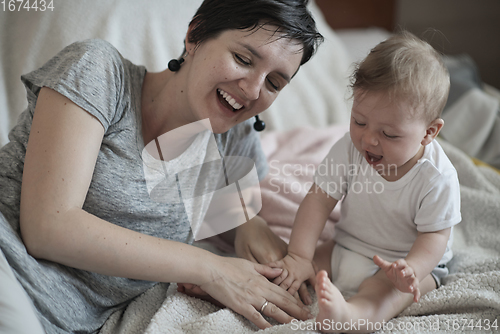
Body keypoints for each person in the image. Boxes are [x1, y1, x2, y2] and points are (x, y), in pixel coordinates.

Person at [0, 0, 324, 332]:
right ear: (195, 35)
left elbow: (237, 218)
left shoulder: (232, 141)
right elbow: (49, 227)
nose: (253, 90)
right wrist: (209, 268)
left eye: (274, 83)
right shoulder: (99, 71)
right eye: (242, 59)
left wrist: (249, 227)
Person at [269, 31, 461, 333]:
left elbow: (435, 236)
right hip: (344, 245)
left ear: (429, 133)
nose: (368, 139)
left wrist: (412, 269)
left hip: (401, 265)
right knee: (288, 269)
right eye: (359, 121)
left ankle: (351, 316)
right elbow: (318, 200)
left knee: (381, 295)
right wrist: (299, 256)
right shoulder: (349, 148)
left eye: (389, 134)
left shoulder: (436, 177)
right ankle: (251, 283)